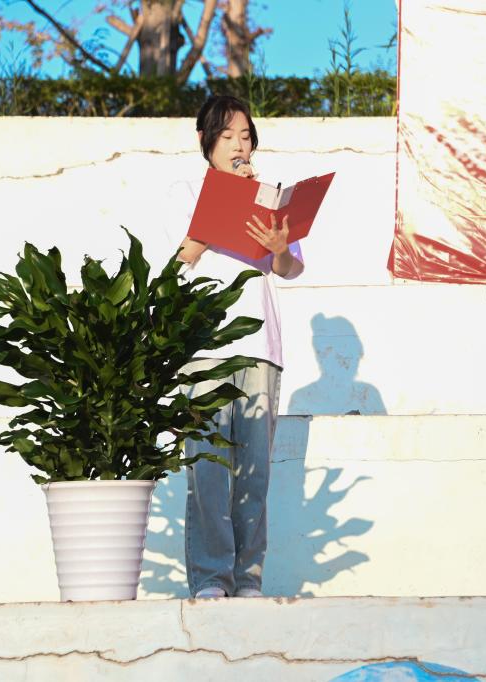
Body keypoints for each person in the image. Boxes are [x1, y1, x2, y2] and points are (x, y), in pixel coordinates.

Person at [171, 94, 305, 599]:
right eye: (227, 136)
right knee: (207, 468)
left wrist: (278, 247)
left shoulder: (269, 198)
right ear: (205, 140)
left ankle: (248, 578)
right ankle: (211, 578)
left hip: (259, 347)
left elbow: (290, 267)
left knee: (254, 472)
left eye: (246, 137)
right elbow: (177, 261)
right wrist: (223, 208)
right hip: (204, 348)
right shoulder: (185, 192)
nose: (238, 146)